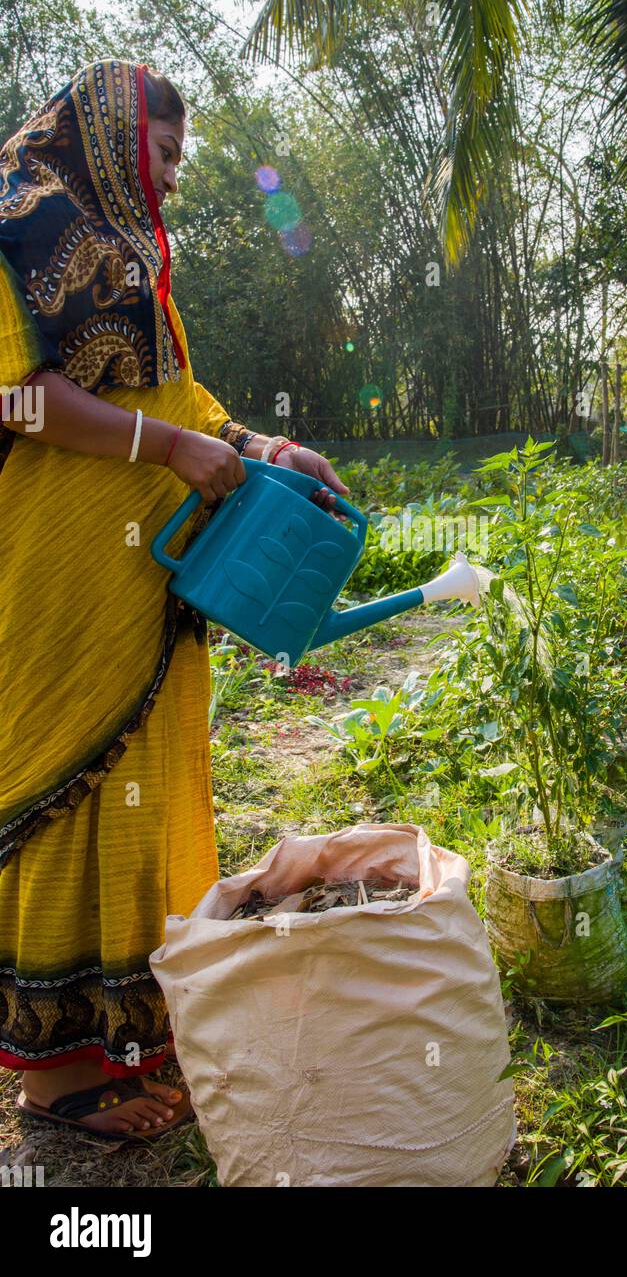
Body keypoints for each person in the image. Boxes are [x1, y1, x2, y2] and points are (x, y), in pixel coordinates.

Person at [0, 58, 347, 1140]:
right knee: (64, 783)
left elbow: (176, 393)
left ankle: (124, 1040)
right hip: (59, 571)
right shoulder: (14, 228)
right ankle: (52, 1082)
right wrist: (170, 445)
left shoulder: (134, 260)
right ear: (106, 139)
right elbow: (16, 397)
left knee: (143, 786)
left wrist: (260, 443)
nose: (175, 180)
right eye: (163, 155)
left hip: (151, 566)